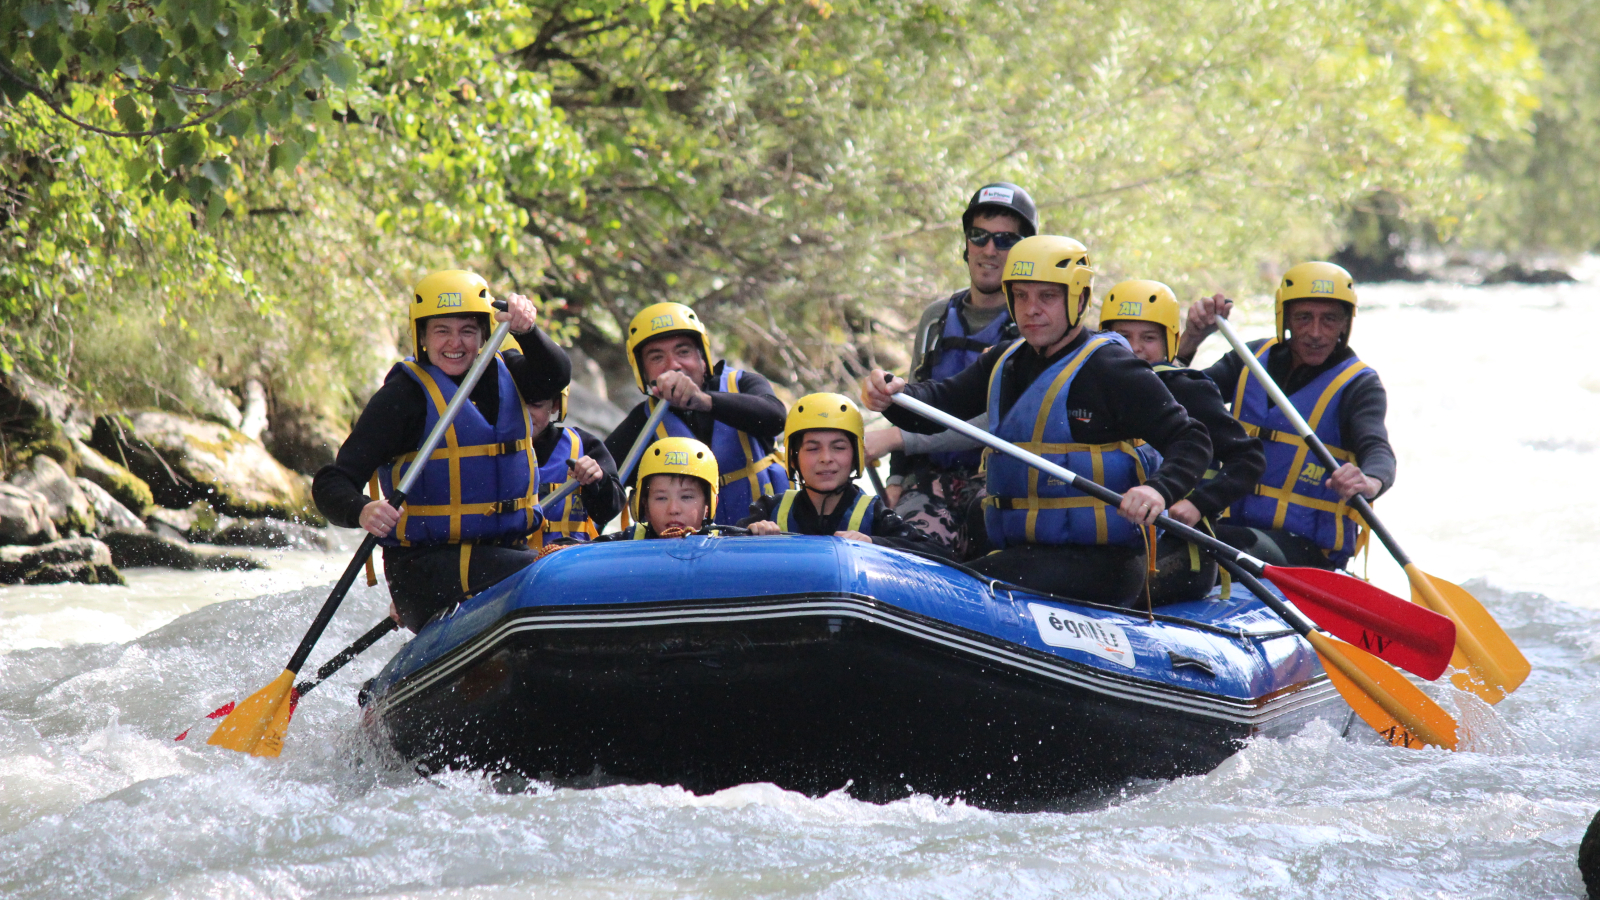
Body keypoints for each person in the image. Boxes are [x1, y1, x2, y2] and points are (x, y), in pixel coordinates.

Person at [861, 236, 1213, 607]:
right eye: (1022, 296)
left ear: (1078, 300)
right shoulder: (1005, 360)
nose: (1031, 309)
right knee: (966, 568)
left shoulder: (1112, 369)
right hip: (1027, 551)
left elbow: (1192, 439)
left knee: (966, 587)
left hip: (1102, 563)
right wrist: (893, 397)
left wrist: (1158, 490)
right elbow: (938, 405)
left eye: (1047, 297)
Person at [312, 269, 570, 631]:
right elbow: (331, 482)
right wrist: (362, 510)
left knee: (567, 561)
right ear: (422, 335)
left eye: (467, 330)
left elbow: (555, 375)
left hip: (504, 552)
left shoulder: (508, 372)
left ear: (484, 333)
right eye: (442, 331)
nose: (456, 343)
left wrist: (528, 332)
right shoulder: (404, 396)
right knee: (557, 570)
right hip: (427, 569)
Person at [1172, 261, 1395, 570]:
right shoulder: (1249, 359)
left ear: (1345, 323)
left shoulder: (1359, 385)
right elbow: (1173, 402)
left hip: (1306, 552)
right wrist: (1191, 341)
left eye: (1329, 319)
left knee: (1203, 545)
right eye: (1304, 318)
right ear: (1285, 316)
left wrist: (1370, 482)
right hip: (1231, 528)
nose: (1316, 333)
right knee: (1169, 538)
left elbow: (1378, 450)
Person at [864, 182, 1037, 558]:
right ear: (967, 244)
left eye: (1005, 240)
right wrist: (897, 478)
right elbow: (914, 402)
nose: (989, 250)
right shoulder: (936, 319)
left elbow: (999, 423)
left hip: (1000, 484)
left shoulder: (1035, 326)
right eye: (979, 236)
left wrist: (895, 439)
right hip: (930, 480)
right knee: (900, 551)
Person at [1099, 279, 1266, 603]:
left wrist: (1198, 503)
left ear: (1170, 343)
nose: (1134, 348)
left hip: (1185, 549)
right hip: (1115, 542)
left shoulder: (1188, 389)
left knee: (1112, 587)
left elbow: (1249, 459)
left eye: (1148, 338)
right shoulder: (1094, 389)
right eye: (1124, 336)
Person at [603, 302, 788, 527]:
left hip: (764, 539)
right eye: (657, 357)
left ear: (702, 358)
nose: (673, 365)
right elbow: (604, 491)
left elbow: (776, 418)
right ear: (643, 373)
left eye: (683, 352)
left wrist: (704, 402)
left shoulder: (743, 385)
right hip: (691, 554)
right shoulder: (643, 422)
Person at [740, 393, 946, 555]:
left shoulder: (874, 514)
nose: (826, 458)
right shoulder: (769, 509)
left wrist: (874, 542)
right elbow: (723, 540)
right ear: (793, 458)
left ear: (856, 456)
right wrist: (753, 535)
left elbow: (936, 551)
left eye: (838, 447)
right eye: (812, 449)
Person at [527, 388, 625, 547]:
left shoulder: (584, 445)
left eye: (536, 405)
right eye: (518, 404)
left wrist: (598, 481)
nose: (526, 413)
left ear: (555, 405)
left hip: (567, 559)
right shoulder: (490, 448)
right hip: (513, 560)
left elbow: (608, 510)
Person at [591, 437, 730, 540]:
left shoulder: (727, 544)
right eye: (661, 498)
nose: (673, 509)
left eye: (686, 497)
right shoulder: (625, 541)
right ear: (643, 505)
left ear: (709, 505)